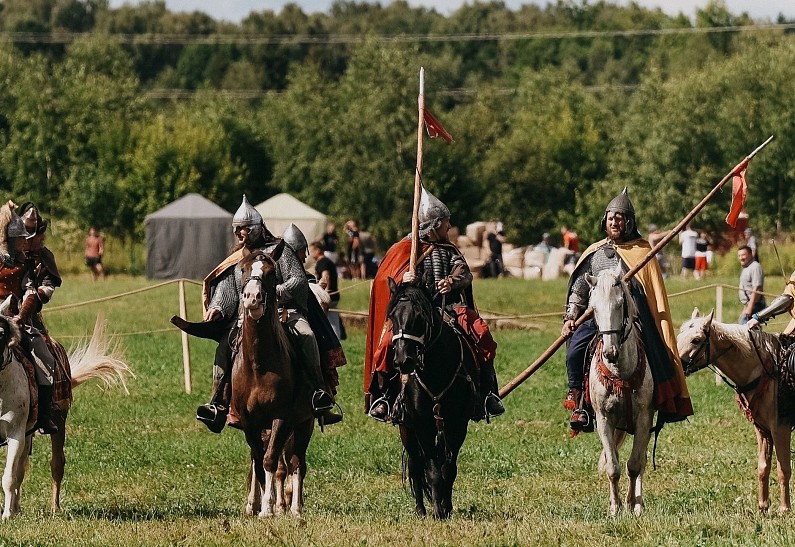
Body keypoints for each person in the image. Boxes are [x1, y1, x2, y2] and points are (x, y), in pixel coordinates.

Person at [195, 195, 338, 433]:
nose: (240, 233)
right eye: (237, 229)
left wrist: (277, 291)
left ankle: (317, 392)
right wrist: (218, 306)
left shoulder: (279, 250)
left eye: (244, 228)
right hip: (248, 317)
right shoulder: (238, 258)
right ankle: (218, 402)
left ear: (257, 228)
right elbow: (228, 288)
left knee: (307, 336)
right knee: (224, 347)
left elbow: (297, 280)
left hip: (284, 311)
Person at [364, 187, 505, 423]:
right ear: (434, 224)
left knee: (481, 333)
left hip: (449, 309)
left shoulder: (449, 250)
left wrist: (452, 281)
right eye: (446, 222)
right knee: (388, 342)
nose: (449, 227)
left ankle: (487, 393)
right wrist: (403, 279)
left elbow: (464, 272)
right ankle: (386, 396)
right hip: (415, 311)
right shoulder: (405, 250)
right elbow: (383, 281)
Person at [561, 187, 693, 433]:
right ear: (605, 221)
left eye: (619, 218)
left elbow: (646, 291)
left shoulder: (641, 252)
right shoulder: (595, 253)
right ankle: (579, 403)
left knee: (655, 350)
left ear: (629, 222)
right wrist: (571, 317)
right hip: (597, 317)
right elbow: (579, 289)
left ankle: (660, 397)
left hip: (630, 316)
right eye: (611, 218)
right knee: (575, 350)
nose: (614, 222)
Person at [0, 201, 60, 433]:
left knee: (45, 358)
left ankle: (44, 415)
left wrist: (20, 318)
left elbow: (31, 291)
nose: (23, 242)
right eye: (19, 239)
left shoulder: (24, 264)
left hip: (17, 322)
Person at [309, 241, 344, 340]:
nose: (311, 254)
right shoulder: (327, 261)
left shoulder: (323, 262)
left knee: (323, 322)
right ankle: (336, 341)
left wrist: (324, 295)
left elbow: (326, 277)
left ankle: (327, 341)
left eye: (312, 251)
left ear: (318, 250)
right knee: (333, 321)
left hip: (328, 297)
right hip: (333, 297)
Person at [737, 244, 765, 325]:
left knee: (744, 329)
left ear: (750, 254)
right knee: (746, 329)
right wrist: (745, 309)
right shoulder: (746, 268)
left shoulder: (755, 267)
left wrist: (750, 308)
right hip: (749, 305)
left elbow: (757, 288)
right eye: (739, 255)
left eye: (743, 255)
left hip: (755, 306)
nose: (741, 258)